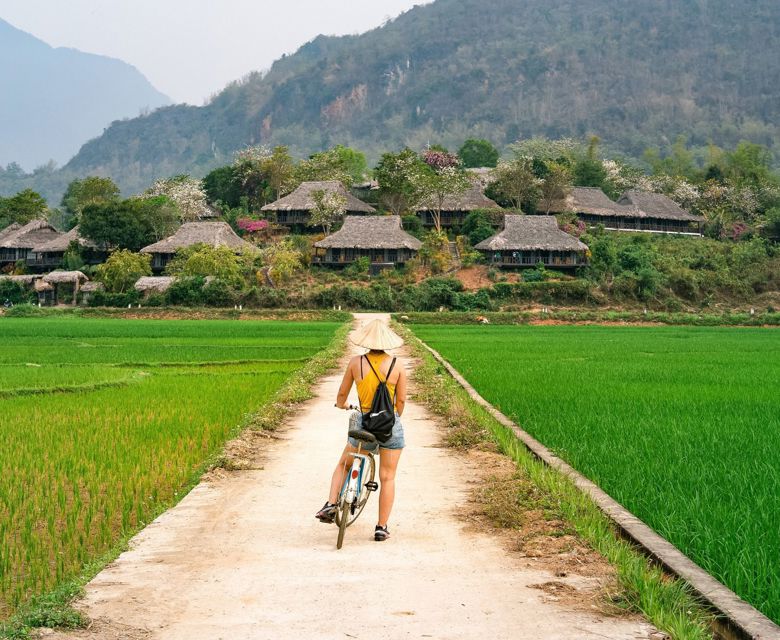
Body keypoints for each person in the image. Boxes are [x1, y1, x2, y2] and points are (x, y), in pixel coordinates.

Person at [315, 319, 407, 542]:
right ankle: (381, 527)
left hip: (364, 422)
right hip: (389, 425)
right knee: (387, 477)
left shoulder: (356, 363)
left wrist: (343, 406)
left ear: (366, 342)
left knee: (345, 464)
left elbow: (341, 397)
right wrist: (393, 418)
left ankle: (331, 503)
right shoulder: (397, 365)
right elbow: (401, 400)